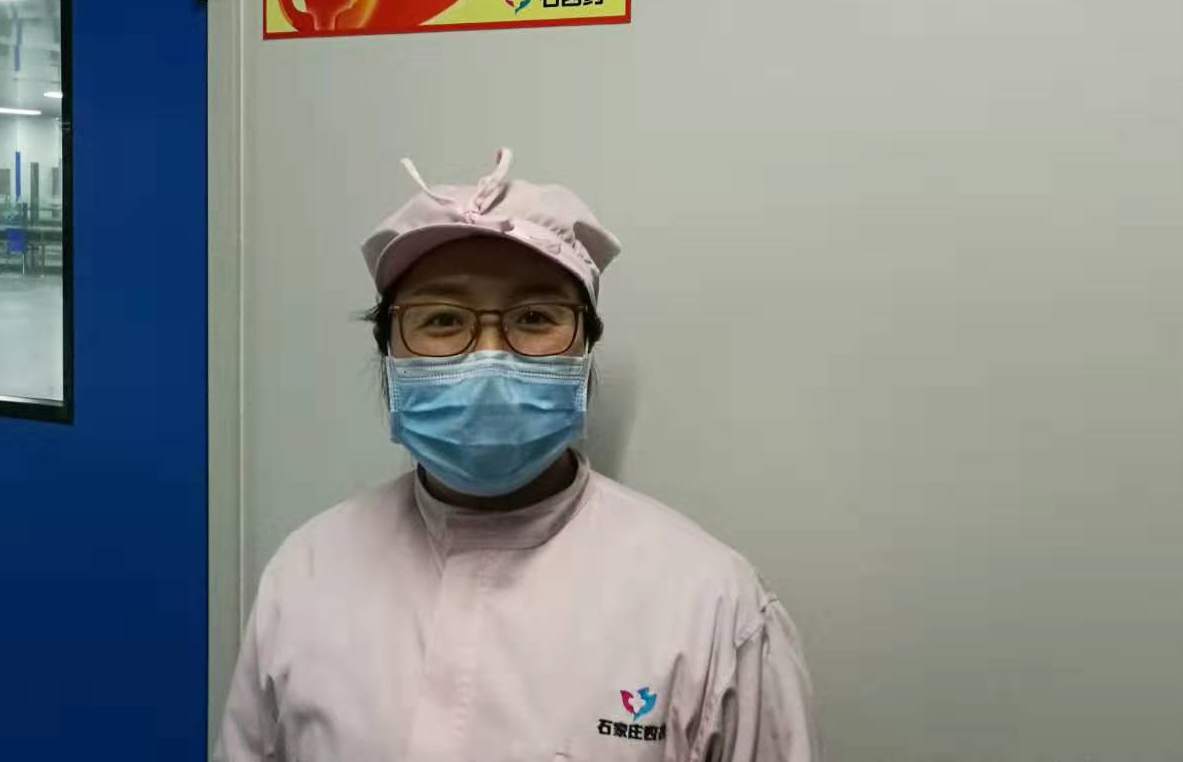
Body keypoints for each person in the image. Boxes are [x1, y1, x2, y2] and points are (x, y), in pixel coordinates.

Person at [216, 149, 820, 761]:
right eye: (442, 319)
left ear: (586, 347)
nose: (490, 355)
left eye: (534, 317)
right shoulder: (306, 577)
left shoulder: (711, 606)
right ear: (389, 351)